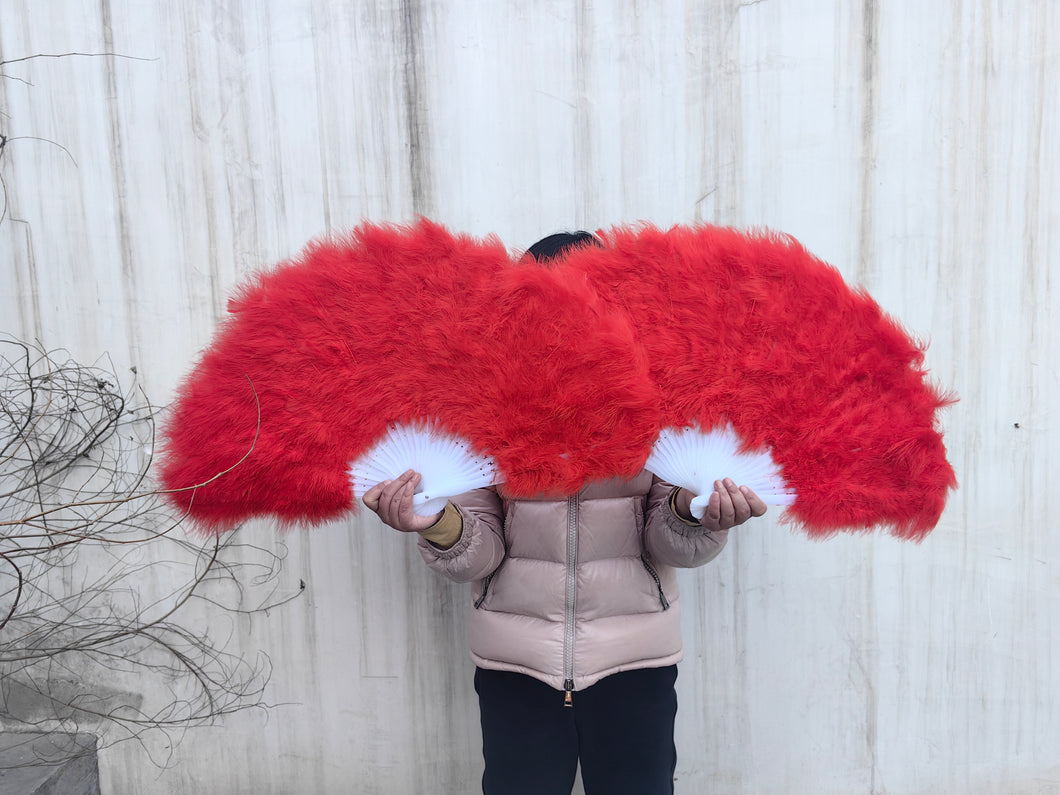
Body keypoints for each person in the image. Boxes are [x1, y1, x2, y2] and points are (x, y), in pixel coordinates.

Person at [362, 232, 767, 795]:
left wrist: (694, 514)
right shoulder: (483, 414)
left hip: (635, 662)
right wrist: (436, 523)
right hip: (517, 665)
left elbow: (667, 545)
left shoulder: (662, 407)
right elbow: (481, 553)